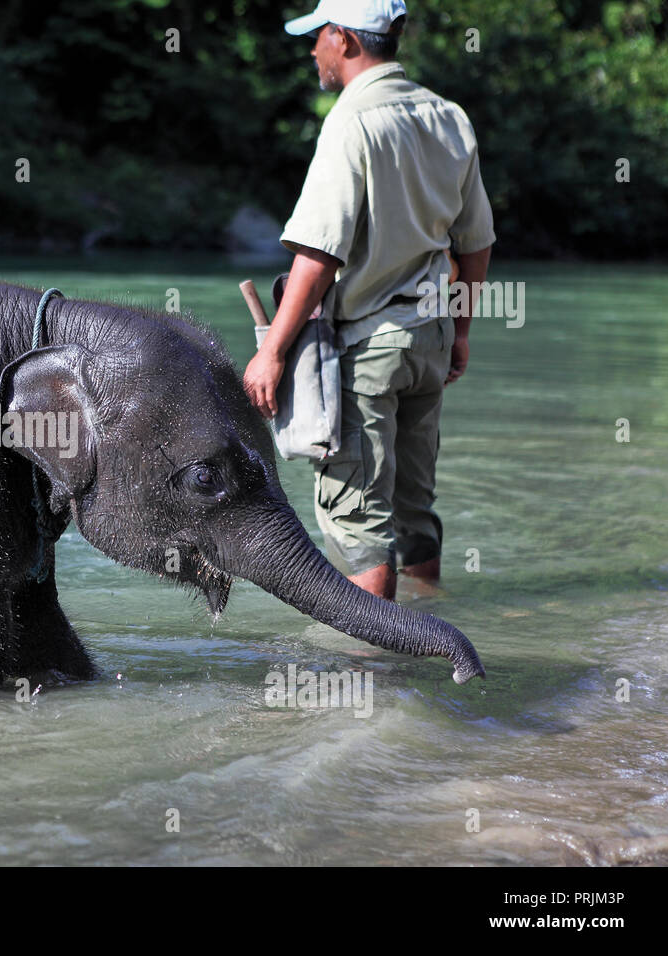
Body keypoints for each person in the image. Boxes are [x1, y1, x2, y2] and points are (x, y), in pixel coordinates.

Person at [243, 0, 495, 600]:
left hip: (369, 353)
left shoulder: (350, 123)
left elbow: (318, 258)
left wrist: (272, 351)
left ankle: (374, 679)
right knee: (413, 509)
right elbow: (477, 243)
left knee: (358, 525)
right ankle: (433, 634)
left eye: (318, 38)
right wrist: (459, 333)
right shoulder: (447, 116)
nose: (312, 51)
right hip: (430, 341)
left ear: (345, 41)